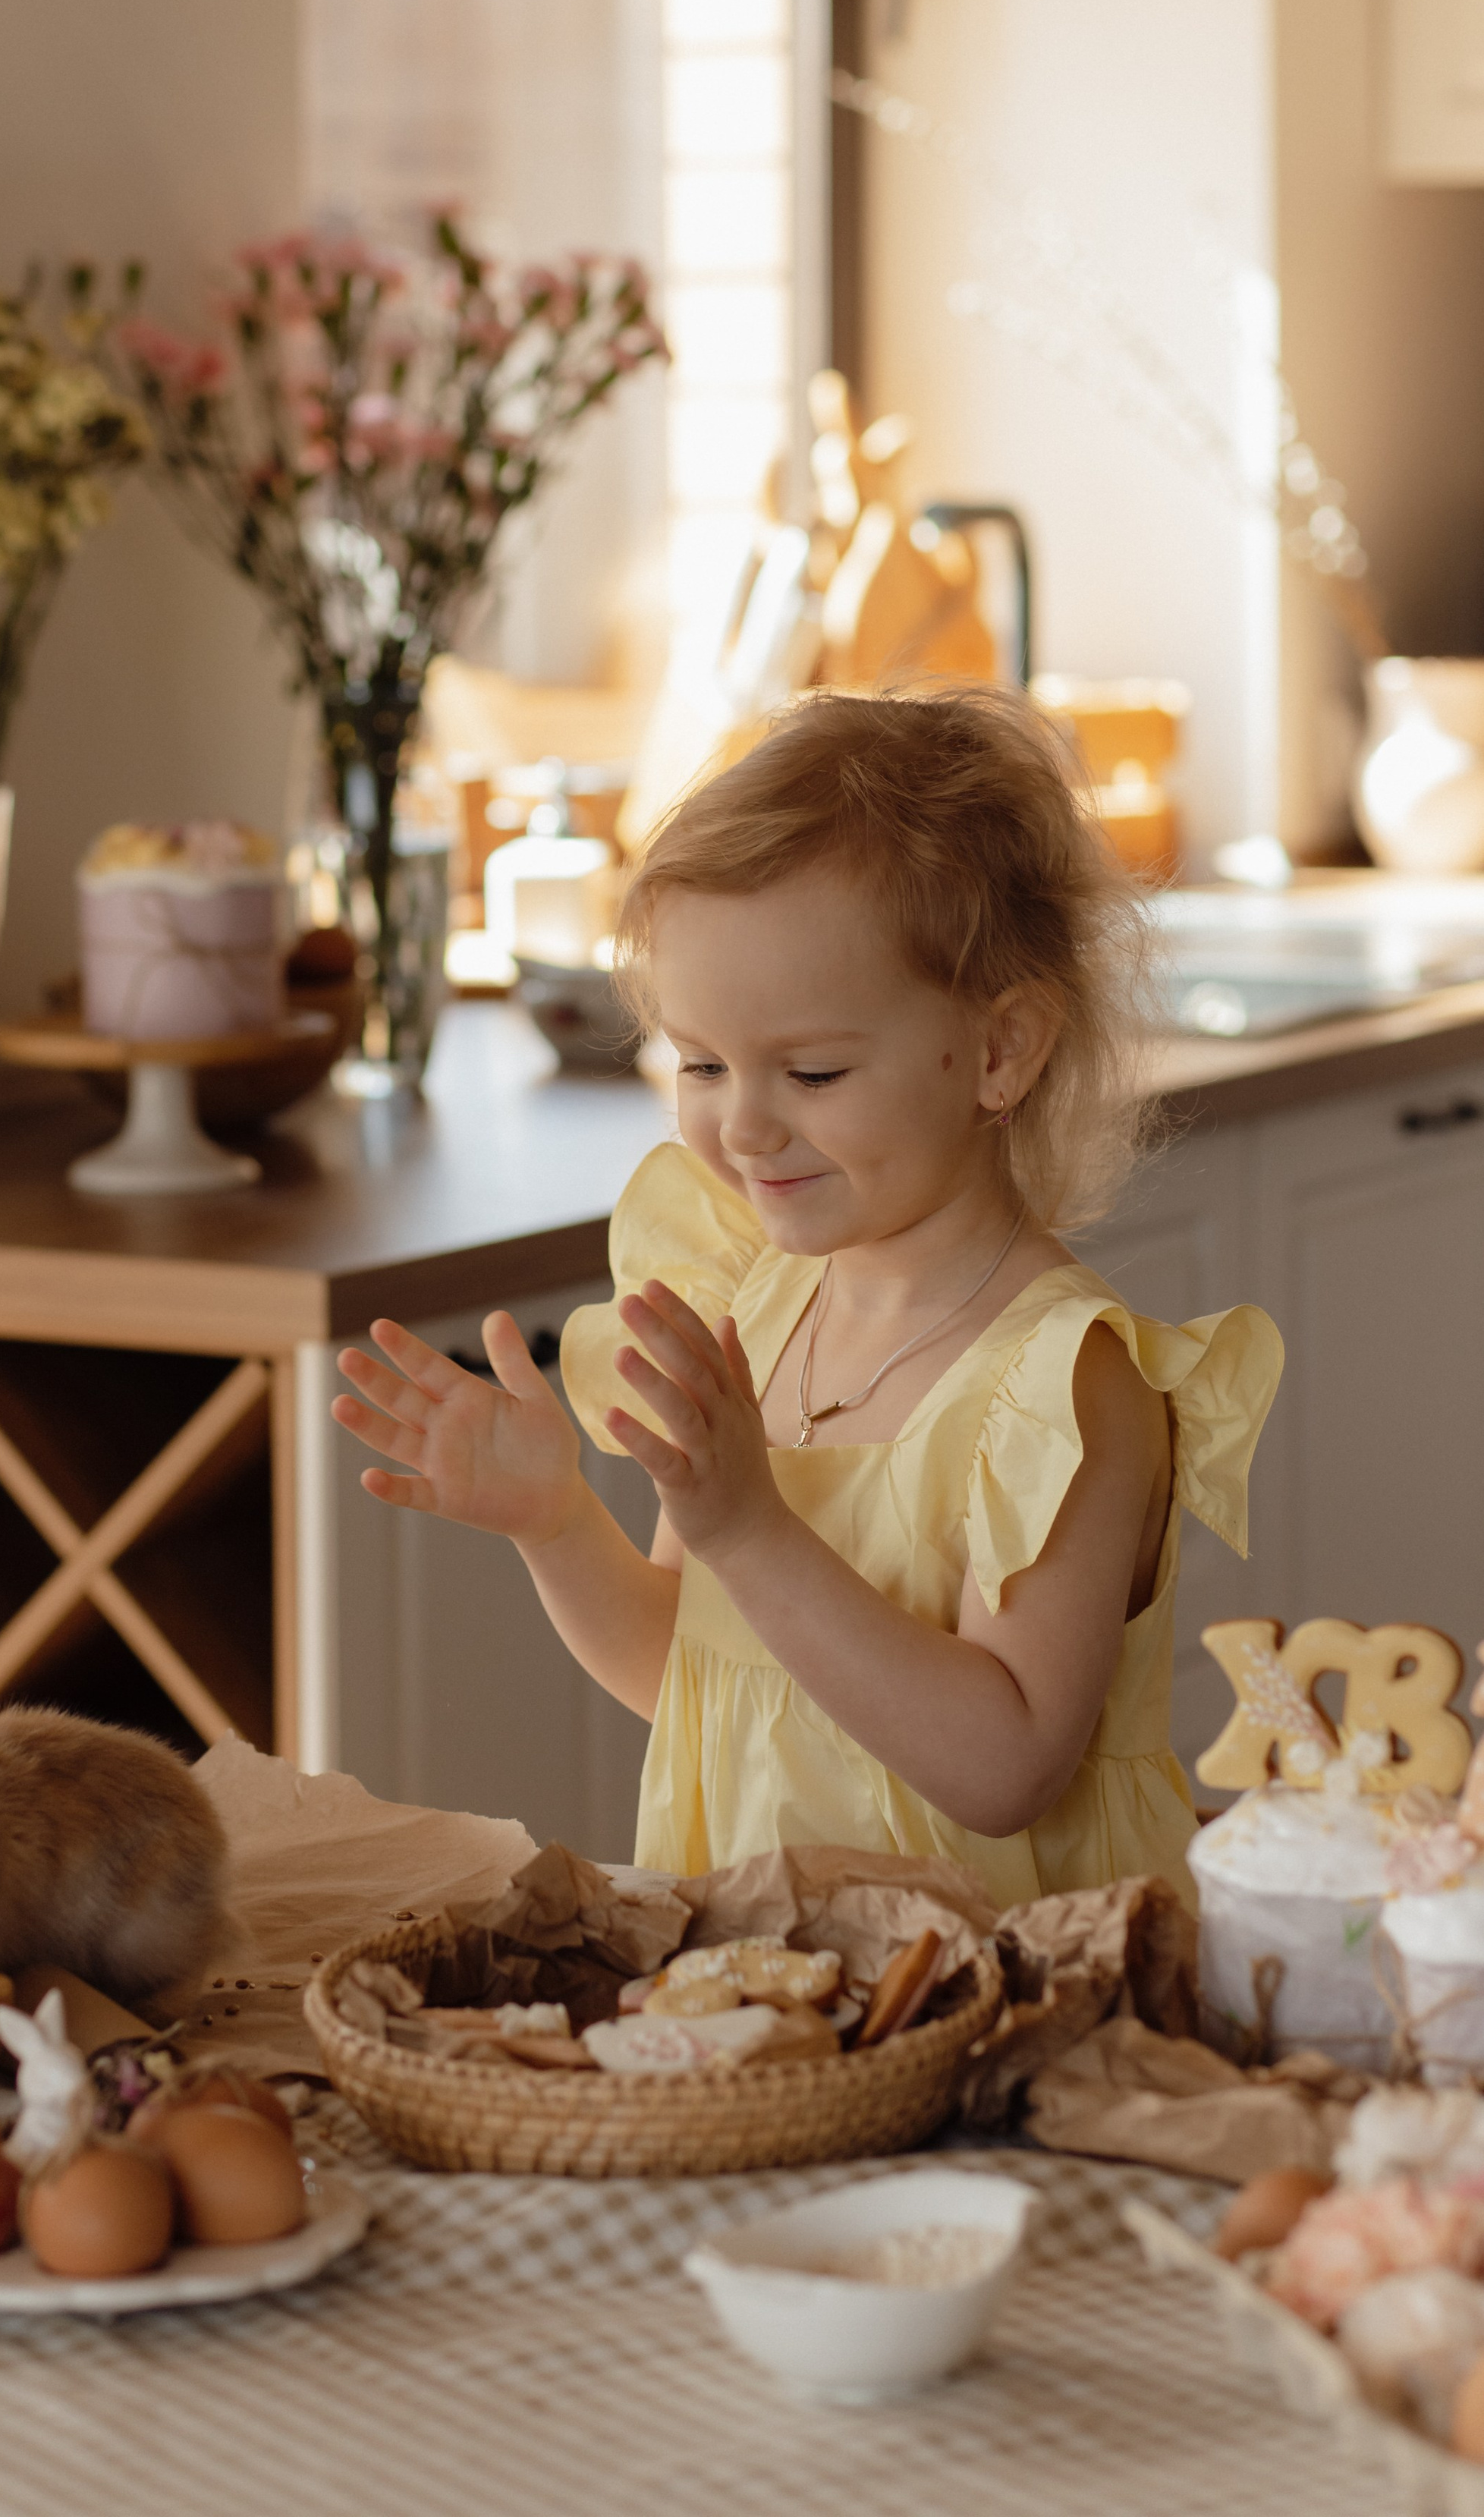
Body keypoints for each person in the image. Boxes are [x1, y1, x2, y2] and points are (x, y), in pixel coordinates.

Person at [331, 687, 1281, 1904]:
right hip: (777, 2011)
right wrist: (558, 1523)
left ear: (1000, 1053)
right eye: (703, 1064)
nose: (744, 1125)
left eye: (814, 1070)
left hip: (1017, 2010)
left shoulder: (1066, 1382)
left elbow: (1005, 1766)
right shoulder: (758, 1310)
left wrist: (752, 1530)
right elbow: (695, 1670)